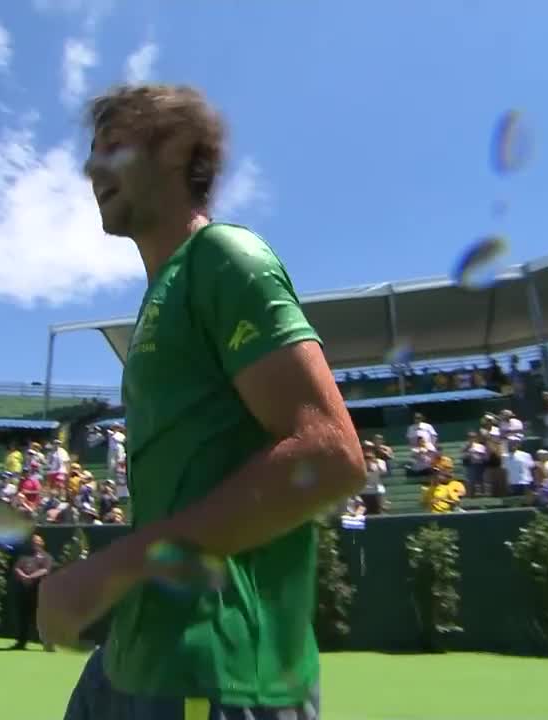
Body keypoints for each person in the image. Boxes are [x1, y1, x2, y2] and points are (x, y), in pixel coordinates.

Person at [40, 83, 364, 720]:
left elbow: (331, 456)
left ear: (174, 154)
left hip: (218, 673)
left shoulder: (223, 257)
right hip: (135, 658)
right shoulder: (163, 295)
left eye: (113, 147)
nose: (89, 167)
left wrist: (112, 569)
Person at [11, 534, 55, 650]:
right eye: (33, 542)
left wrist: (30, 577)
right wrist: (23, 577)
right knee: (23, 617)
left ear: (42, 543)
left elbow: (45, 570)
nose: (34, 543)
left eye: (37, 541)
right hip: (24, 591)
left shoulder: (47, 557)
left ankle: (48, 643)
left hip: (39, 591)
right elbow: (16, 568)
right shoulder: (24, 556)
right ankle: (21, 642)